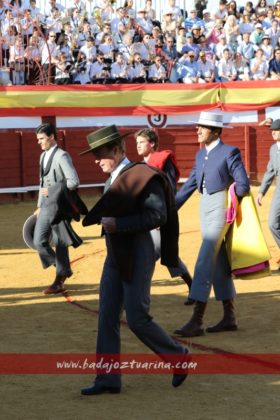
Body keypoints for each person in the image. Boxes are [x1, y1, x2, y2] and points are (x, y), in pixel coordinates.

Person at [79, 125, 188, 395]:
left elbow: (157, 216)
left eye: (100, 154)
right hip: (115, 255)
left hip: (138, 253)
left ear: (116, 151)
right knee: (107, 316)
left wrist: (119, 224)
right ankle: (107, 379)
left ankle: (179, 357)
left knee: (137, 317)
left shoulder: (143, 175)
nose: (96, 159)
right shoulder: (113, 178)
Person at [174, 112, 250, 337]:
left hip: (220, 207)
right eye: (197, 126)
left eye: (203, 127)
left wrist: (231, 195)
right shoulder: (200, 155)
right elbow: (190, 185)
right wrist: (169, 211)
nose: (197, 130)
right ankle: (229, 316)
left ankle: (197, 319)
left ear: (216, 131)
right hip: (204, 207)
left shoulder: (229, 152)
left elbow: (243, 184)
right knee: (217, 261)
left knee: (205, 258)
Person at [135, 128, 193, 304]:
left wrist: (162, 215)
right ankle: (193, 287)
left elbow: (168, 189)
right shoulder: (141, 166)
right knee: (165, 254)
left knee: (151, 255)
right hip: (146, 218)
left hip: (160, 217)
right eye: (136, 143)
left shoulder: (162, 160)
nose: (138, 146)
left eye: (142, 142)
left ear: (152, 143)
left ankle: (138, 296)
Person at [33, 123, 81, 295]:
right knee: (38, 241)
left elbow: (74, 182)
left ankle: (59, 280)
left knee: (61, 242)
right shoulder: (42, 156)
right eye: (38, 139)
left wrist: (52, 191)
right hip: (46, 205)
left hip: (61, 206)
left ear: (52, 136)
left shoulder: (62, 156)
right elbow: (41, 182)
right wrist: (39, 205)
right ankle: (64, 269)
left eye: (42, 139)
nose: (39, 142)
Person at [257, 119, 280, 265]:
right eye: (272, 129)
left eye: (276, 130)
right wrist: (261, 192)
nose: (272, 132)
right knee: (272, 223)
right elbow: (270, 171)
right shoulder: (273, 149)